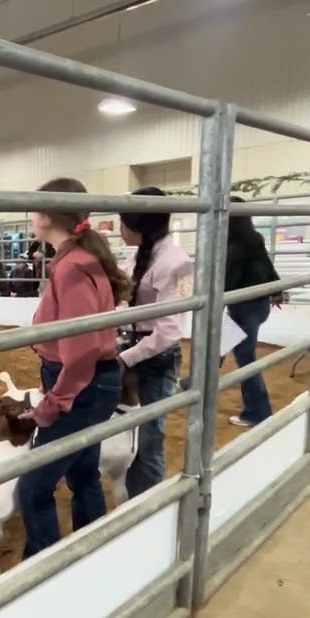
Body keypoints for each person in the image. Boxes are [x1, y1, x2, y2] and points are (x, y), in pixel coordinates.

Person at [16, 178, 133, 557]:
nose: (31, 217)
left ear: (48, 215)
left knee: (33, 485)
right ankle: (93, 553)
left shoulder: (72, 266)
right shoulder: (78, 259)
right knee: (83, 472)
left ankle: (46, 566)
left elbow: (80, 349)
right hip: (90, 382)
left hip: (80, 384)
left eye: (35, 210)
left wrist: (55, 402)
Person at [119, 186, 194, 499]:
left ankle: (148, 505)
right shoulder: (138, 254)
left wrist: (126, 358)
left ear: (138, 226)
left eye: (123, 222)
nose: (120, 229)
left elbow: (170, 330)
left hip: (155, 354)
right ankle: (128, 494)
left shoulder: (178, 263)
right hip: (130, 347)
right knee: (122, 429)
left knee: (150, 437)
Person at [223, 198, 282, 427]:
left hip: (243, 306)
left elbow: (228, 279)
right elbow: (266, 265)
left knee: (245, 359)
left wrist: (214, 301)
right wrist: (277, 289)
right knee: (220, 344)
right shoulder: (253, 238)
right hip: (257, 304)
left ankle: (257, 411)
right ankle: (193, 384)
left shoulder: (232, 246)